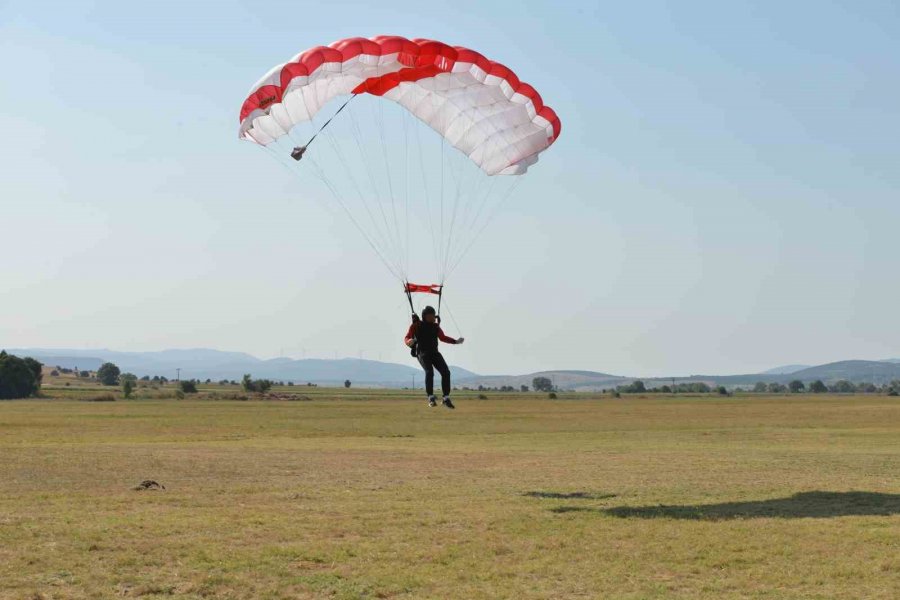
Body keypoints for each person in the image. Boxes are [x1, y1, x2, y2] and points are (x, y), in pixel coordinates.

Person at [404, 306, 464, 408]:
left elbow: (442, 337)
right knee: (429, 372)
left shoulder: (435, 326)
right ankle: (431, 397)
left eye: (433, 315)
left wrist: (455, 341)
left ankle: (445, 398)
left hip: (434, 353)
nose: (433, 318)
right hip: (422, 353)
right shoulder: (416, 325)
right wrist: (409, 341)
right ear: (425, 316)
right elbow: (407, 337)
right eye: (430, 316)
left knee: (446, 372)